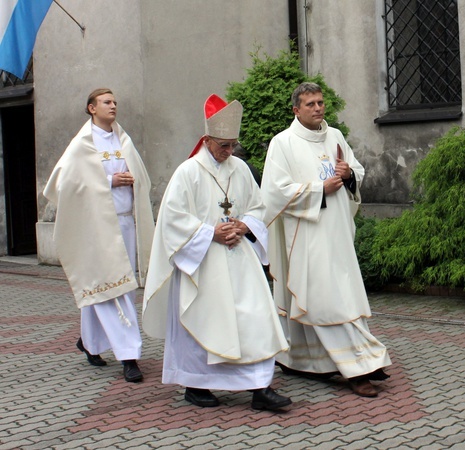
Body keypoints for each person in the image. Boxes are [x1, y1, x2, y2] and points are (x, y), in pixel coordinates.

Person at [142, 94, 291, 411]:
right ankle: (197, 385)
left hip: (239, 258)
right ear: (207, 139)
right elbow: (172, 219)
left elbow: (258, 206)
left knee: (255, 318)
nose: (229, 151)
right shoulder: (188, 172)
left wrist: (243, 225)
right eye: (223, 145)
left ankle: (259, 387)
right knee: (206, 320)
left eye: (233, 145)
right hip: (203, 263)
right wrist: (211, 232)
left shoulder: (239, 168)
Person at [262, 82, 391, 398]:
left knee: (338, 295)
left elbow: (355, 171)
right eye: (310, 104)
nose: (318, 108)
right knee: (325, 301)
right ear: (296, 110)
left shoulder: (334, 136)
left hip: (337, 234)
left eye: (321, 103)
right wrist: (320, 189)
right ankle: (358, 367)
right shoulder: (283, 143)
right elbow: (274, 192)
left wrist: (347, 176)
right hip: (307, 235)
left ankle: (300, 359)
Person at [43, 88, 154, 383]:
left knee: (115, 285)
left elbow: (142, 176)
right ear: (92, 108)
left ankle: (89, 341)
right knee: (112, 287)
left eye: (115, 101)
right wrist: (109, 180)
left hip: (124, 223)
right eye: (106, 102)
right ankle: (129, 356)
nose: (113, 105)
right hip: (97, 226)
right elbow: (64, 184)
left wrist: (133, 182)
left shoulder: (123, 139)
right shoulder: (82, 144)